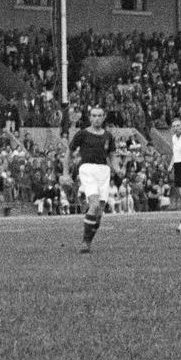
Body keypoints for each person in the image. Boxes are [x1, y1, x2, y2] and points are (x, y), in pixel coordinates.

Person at [67, 106, 117, 253]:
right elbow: (68, 152)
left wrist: (117, 168)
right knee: (94, 205)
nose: (97, 118)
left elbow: (112, 155)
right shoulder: (82, 134)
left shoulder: (108, 136)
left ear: (104, 117)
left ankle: (88, 241)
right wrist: (65, 173)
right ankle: (85, 242)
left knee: (99, 212)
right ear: (90, 117)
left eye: (99, 115)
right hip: (87, 168)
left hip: (104, 171)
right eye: (94, 115)